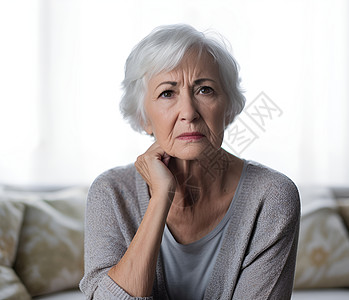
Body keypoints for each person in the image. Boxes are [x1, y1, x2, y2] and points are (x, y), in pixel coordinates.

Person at [79, 24, 300, 300]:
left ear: (228, 109)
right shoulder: (110, 193)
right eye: (167, 93)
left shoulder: (271, 197)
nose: (189, 112)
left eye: (204, 90)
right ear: (144, 117)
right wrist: (160, 198)